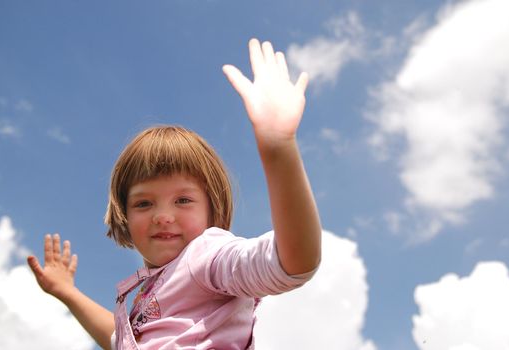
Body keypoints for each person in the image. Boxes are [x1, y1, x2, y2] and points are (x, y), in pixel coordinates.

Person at [27, 38, 321, 350]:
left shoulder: (207, 257)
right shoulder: (149, 294)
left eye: (183, 200)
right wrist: (67, 292)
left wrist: (278, 148)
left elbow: (292, 262)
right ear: (124, 215)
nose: (163, 216)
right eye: (143, 203)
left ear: (212, 209)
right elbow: (118, 341)